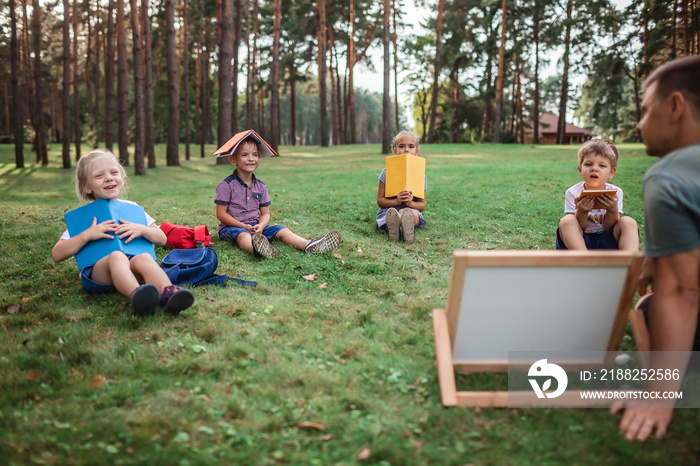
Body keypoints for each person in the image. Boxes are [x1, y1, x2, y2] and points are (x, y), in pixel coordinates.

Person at [610, 55, 700, 442]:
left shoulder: (669, 175)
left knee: (646, 310)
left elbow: (682, 291)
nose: (640, 124)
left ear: (676, 106)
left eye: (646, 111)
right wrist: (657, 257)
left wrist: (660, 394)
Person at [52, 149, 194, 316]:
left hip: (132, 269)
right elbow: (57, 254)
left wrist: (142, 229)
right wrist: (87, 235)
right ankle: (138, 296)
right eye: (99, 176)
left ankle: (168, 293)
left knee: (144, 258)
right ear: (87, 187)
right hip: (99, 275)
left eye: (114, 172)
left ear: (122, 177)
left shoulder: (132, 208)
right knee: (116, 256)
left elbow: (162, 239)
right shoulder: (85, 217)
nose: (109, 178)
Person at [215, 136, 340, 258]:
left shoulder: (261, 186)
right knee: (243, 235)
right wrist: (243, 226)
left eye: (255, 154)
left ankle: (309, 245)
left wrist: (261, 226)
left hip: (256, 227)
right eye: (244, 155)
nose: (251, 159)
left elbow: (265, 214)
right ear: (233, 160)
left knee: (282, 230)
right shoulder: (226, 185)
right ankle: (257, 250)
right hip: (232, 228)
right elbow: (221, 214)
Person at [556, 139, 639, 251]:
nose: (594, 168)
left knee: (628, 222)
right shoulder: (573, 192)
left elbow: (609, 228)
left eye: (602, 166)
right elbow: (577, 227)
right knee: (567, 220)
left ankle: (629, 263)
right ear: (580, 170)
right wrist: (581, 211)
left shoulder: (616, 192)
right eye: (588, 164)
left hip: (607, 242)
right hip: (580, 242)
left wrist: (612, 210)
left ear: (611, 172)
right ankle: (584, 262)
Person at [376, 131, 427, 244]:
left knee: (409, 213)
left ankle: (403, 226)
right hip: (389, 210)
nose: (406, 150)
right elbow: (380, 201)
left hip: (410, 209)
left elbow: (422, 205)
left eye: (411, 146)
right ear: (395, 150)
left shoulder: (420, 175)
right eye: (402, 146)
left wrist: (410, 203)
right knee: (390, 215)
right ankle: (395, 227)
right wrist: (396, 201)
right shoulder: (386, 172)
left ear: (417, 151)